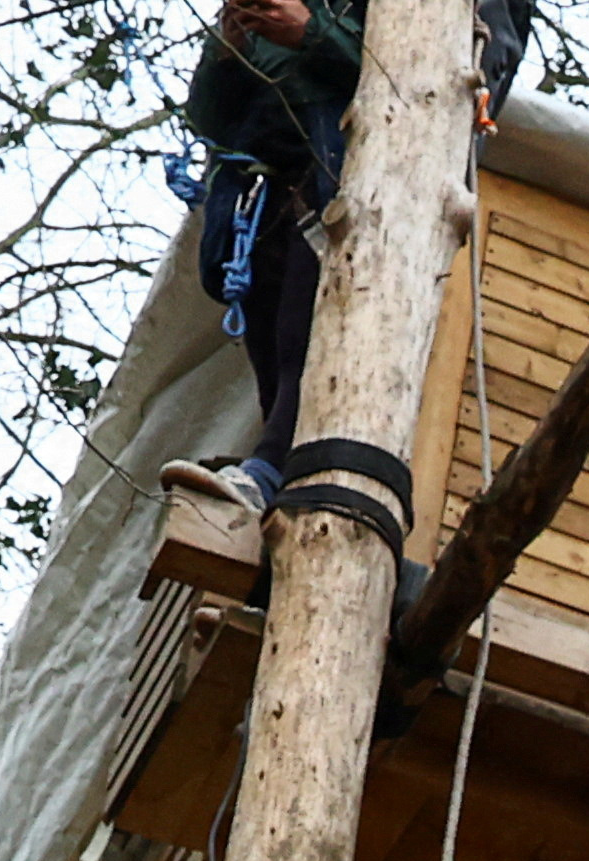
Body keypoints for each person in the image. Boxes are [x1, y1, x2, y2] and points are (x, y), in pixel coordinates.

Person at [186, 0, 535, 504]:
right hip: (263, 191)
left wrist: (311, 34)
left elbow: (433, 94)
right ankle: (274, 479)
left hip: (358, 186)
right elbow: (208, 117)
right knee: (275, 339)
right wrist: (231, 46)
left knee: (306, 331)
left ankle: (271, 469)